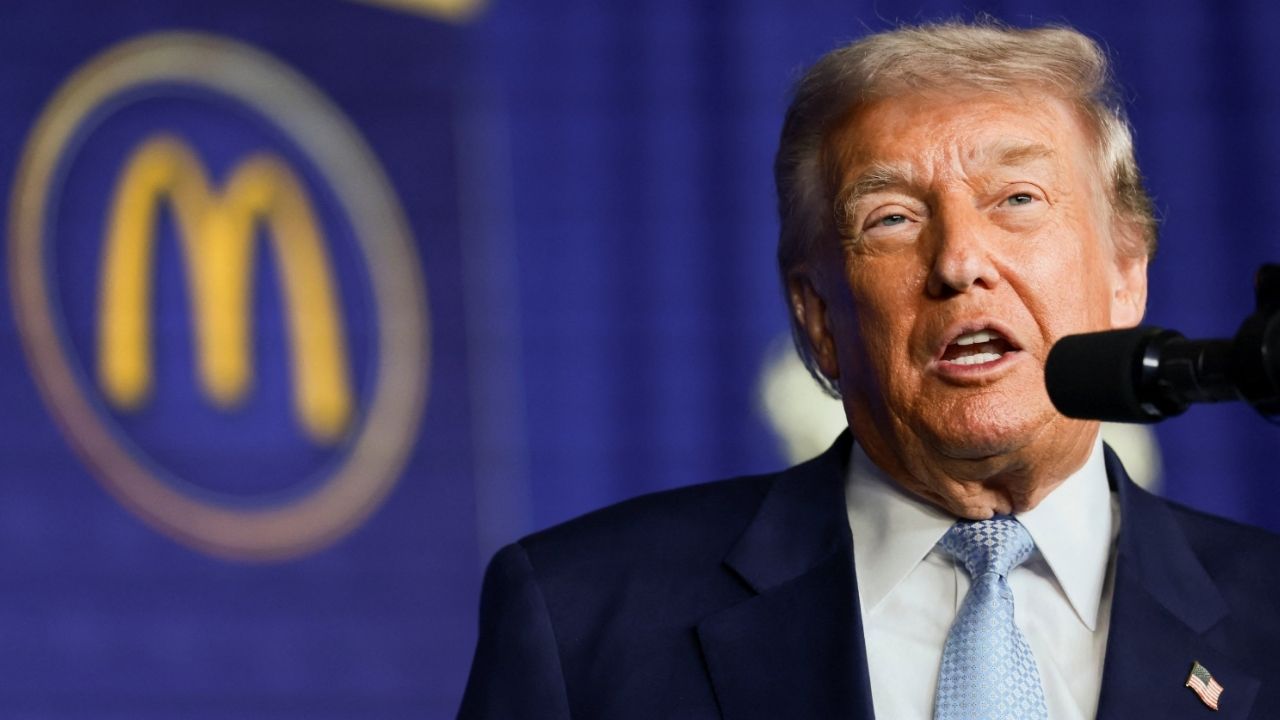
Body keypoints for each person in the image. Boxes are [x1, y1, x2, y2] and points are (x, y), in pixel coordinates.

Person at [459, 22, 1280, 720]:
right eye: (892, 218)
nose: (959, 261)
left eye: (1017, 199)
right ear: (818, 315)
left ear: (1127, 272)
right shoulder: (582, 616)